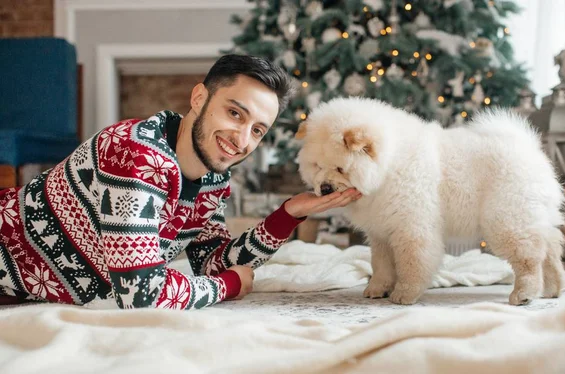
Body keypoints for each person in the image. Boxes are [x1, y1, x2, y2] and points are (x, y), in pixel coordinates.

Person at [0, 54, 361, 309]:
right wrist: (230, 286)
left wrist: (288, 215)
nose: (242, 139)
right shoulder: (136, 154)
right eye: (235, 113)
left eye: (257, 130)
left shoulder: (213, 180)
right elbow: (142, 295)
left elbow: (212, 262)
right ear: (199, 97)